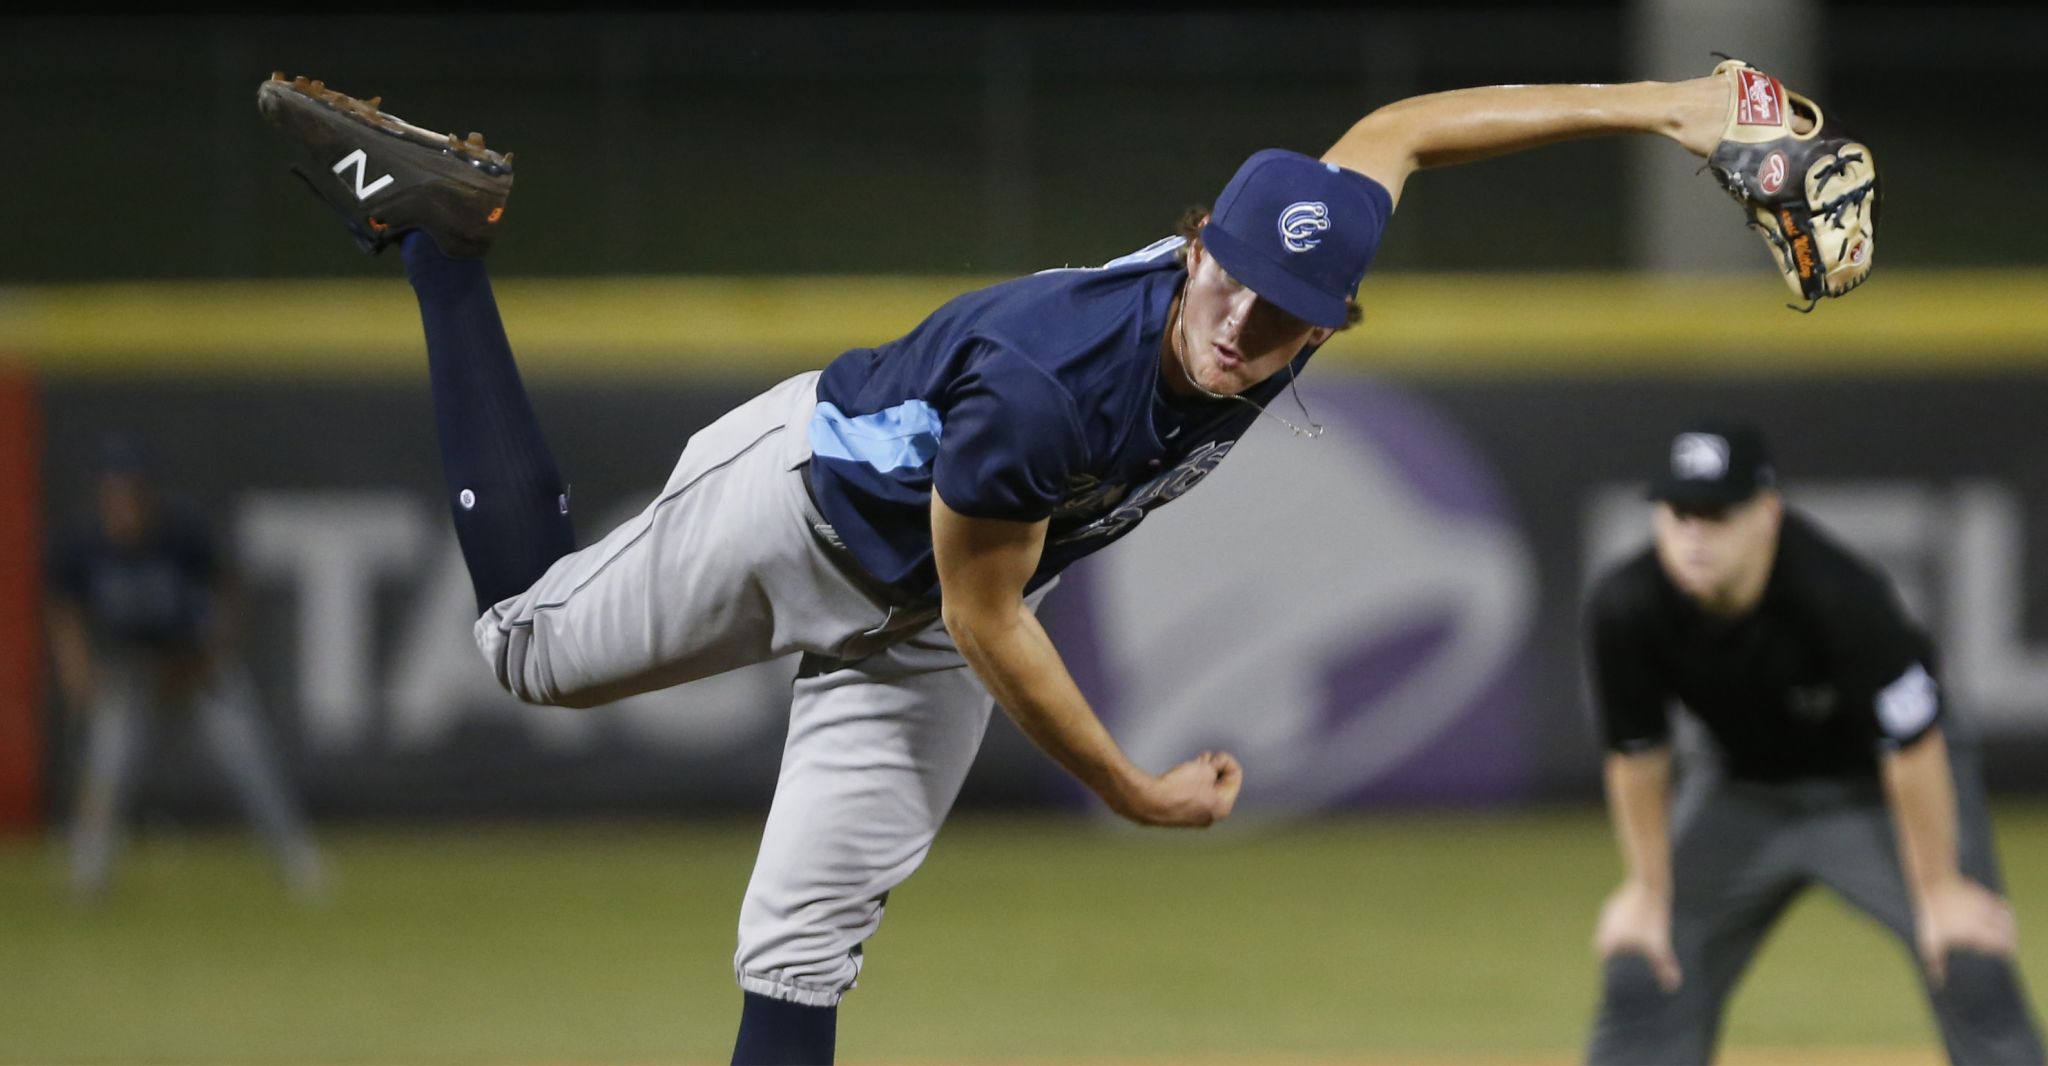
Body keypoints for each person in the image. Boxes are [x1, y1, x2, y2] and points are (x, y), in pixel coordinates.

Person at [261, 64, 1764, 1064]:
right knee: (527, 652)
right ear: (1195, 245)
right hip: (814, 513)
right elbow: (990, 620)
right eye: (1233, 281)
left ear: (1331, 319)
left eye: (1289, 310)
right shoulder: (1054, 390)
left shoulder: (1284, 268)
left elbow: (1407, 129)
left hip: (944, 605)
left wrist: (1673, 103)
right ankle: (442, 247)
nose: (1245, 323)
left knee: (802, 946)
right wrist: (1134, 786)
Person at [1581, 418, 2044, 1064]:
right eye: (1678, 513)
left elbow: (1912, 745)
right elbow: (1637, 756)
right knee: (1648, 961)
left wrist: (1940, 891)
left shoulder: (1840, 596)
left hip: (1877, 791)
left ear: (1765, 514)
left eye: (1715, 514)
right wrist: (1646, 891)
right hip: (1742, 789)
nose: (1693, 536)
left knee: (1968, 957)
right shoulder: (1627, 605)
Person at [46, 433, 327, 904]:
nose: (124, 504)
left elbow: (227, 593)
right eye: (115, 493)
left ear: (146, 494)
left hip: (196, 670)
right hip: (132, 674)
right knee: (108, 769)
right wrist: (76, 668)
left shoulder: (180, 534)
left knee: (249, 764)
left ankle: (296, 858)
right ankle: (88, 877)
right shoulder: (85, 544)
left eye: (132, 492)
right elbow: (65, 610)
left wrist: (212, 655)